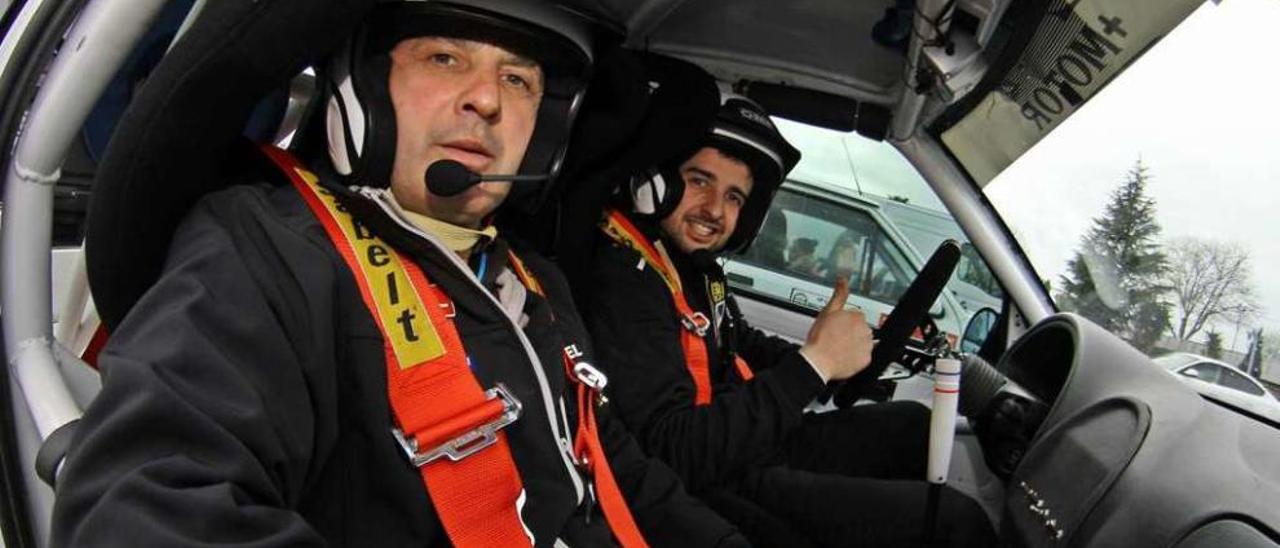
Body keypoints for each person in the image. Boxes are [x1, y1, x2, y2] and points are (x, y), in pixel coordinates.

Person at [52, 1, 746, 546]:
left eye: (518, 79)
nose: (487, 100)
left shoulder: (533, 281)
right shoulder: (269, 251)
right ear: (366, 89)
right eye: (445, 58)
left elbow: (613, 461)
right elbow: (145, 503)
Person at [579, 84, 996, 547]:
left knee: (913, 427)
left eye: (735, 197)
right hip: (717, 473)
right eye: (700, 181)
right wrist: (814, 365)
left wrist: (836, 361)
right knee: (956, 522)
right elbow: (674, 451)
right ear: (658, 183)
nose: (715, 210)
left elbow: (743, 343)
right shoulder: (624, 279)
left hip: (746, 434)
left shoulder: (696, 270)